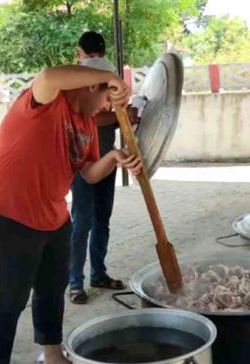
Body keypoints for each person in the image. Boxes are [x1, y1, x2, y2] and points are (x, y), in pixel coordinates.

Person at [0, 60, 142, 364]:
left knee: (52, 289)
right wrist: (110, 76)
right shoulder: (45, 101)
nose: (106, 109)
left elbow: (88, 173)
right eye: (106, 98)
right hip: (3, 218)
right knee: (7, 302)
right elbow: (49, 74)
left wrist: (114, 157)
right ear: (91, 85)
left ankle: (52, 355)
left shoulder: (86, 123)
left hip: (53, 219)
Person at [68, 31, 139, 304]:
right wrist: (120, 116)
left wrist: (128, 115)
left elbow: (111, 117)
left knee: (99, 220)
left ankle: (96, 274)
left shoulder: (104, 77)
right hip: (83, 162)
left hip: (107, 160)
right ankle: (75, 281)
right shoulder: (80, 81)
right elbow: (91, 119)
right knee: (84, 222)